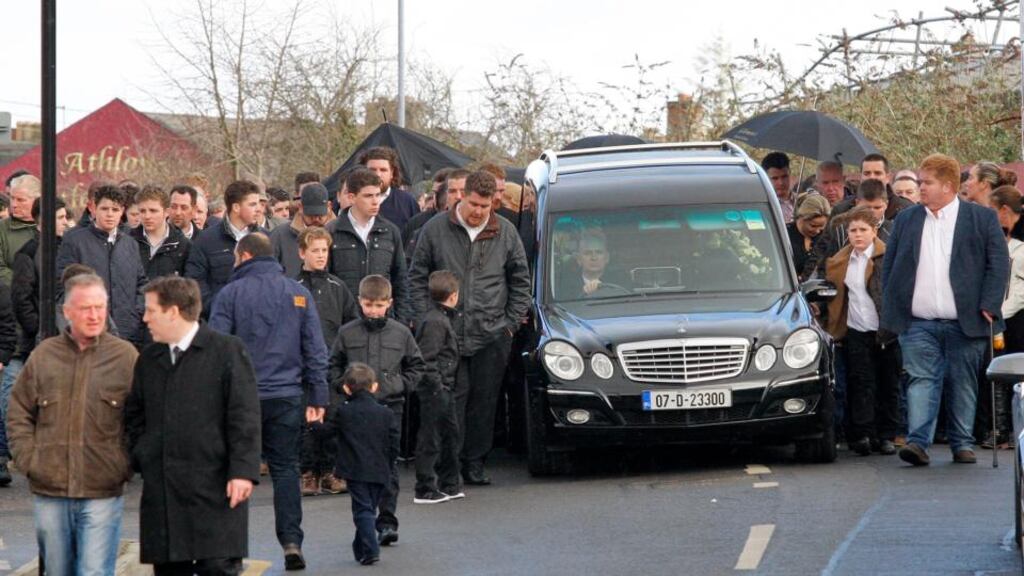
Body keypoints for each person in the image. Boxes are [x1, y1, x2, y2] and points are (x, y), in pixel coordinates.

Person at [208, 232, 328, 571]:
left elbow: (216, 350)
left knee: (235, 470)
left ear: (244, 256)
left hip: (241, 398)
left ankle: (231, 550)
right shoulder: (298, 293)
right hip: (287, 395)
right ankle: (291, 541)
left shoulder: (230, 294)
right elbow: (315, 349)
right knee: (286, 468)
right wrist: (318, 393)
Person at [126, 277, 262, 576]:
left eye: (151, 310)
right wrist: (143, 454)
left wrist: (243, 472)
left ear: (173, 312)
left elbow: (244, 416)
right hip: (164, 495)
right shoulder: (149, 359)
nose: (145, 318)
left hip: (216, 492)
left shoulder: (226, 351)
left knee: (218, 568)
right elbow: (135, 416)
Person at [881, 153, 1010, 466]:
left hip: (966, 320)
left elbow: (998, 265)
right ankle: (918, 443)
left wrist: (990, 305)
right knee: (921, 379)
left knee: (962, 382)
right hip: (917, 323)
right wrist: (892, 303)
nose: (920, 188)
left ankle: (962, 443)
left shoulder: (981, 219)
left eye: (927, 183)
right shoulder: (907, 219)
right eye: (920, 182)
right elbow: (890, 265)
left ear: (949, 187)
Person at [6, 273, 139, 575]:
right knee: (56, 570)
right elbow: (19, 413)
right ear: (67, 312)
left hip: (102, 488)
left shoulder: (125, 357)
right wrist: (30, 461)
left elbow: (139, 420)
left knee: (93, 571)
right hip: (50, 488)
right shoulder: (44, 356)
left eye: (100, 307)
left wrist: (123, 464)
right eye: (85, 308)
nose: (94, 315)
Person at [408, 170, 531, 485]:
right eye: (474, 203)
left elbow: (520, 280)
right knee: (448, 400)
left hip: (491, 332)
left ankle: (474, 462)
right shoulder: (435, 229)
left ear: (494, 202)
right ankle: (448, 464)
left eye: (485, 206)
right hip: (446, 332)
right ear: (462, 196)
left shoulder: (505, 233)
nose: (478, 211)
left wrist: (509, 325)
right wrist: (427, 319)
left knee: (484, 402)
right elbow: (417, 276)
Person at [330, 275, 424, 547]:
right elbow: (332, 365)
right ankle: (365, 516)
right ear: (360, 302)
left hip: (389, 407)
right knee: (359, 467)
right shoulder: (347, 332)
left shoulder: (401, 332)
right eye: (369, 304)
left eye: (379, 305)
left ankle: (386, 521)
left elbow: (416, 367)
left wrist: (398, 385)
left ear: (389, 303)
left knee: (389, 465)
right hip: (355, 411)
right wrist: (342, 386)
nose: (374, 310)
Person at [2, 198, 69, 487]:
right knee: (17, 399)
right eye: (61, 217)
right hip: (37, 340)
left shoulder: (68, 248)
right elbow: (22, 299)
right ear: (43, 219)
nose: (66, 222)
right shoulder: (30, 252)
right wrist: (41, 331)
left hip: (64, 335)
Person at [824, 207, 900, 456]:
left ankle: (886, 435)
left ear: (874, 231)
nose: (857, 235)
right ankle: (863, 434)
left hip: (885, 330)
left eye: (863, 230)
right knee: (861, 383)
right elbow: (832, 290)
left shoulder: (886, 257)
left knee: (887, 384)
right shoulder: (840, 260)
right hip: (856, 329)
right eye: (852, 230)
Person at [295, 226, 359, 497]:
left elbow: (351, 324)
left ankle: (332, 471)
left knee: (333, 420)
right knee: (307, 422)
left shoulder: (338, 287)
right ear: (302, 253)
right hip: (301, 367)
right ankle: (308, 473)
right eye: (315, 251)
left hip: (333, 365)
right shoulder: (293, 288)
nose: (321, 256)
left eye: (324, 250)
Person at [56, 184, 148, 345]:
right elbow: (63, 284)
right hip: (88, 332)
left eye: (115, 209)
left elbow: (140, 283)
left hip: (127, 332)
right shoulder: (75, 241)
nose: (110, 214)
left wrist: (136, 314)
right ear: (93, 209)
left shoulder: (130, 244)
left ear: (122, 211)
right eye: (104, 209)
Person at [327, 363, 399, 567]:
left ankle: (369, 550)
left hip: (355, 469)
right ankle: (360, 548)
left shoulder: (344, 411)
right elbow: (394, 443)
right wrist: (390, 463)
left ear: (347, 388)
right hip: (381, 469)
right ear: (374, 387)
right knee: (369, 508)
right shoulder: (386, 413)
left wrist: (314, 425)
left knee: (362, 510)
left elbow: (327, 433)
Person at [327, 168, 412, 323]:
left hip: (384, 323)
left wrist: (401, 324)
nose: (375, 201)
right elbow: (326, 283)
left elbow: (400, 279)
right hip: (344, 323)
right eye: (368, 196)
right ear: (352, 197)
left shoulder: (390, 231)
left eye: (378, 195)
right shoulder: (332, 231)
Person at [413, 270, 463, 504]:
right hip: (436, 388)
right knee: (431, 438)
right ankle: (425, 487)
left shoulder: (439, 318)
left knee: (449, 435)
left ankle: (448, 483)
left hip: (444, 385)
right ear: (453, 296)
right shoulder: (435, 321)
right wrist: (438, 385)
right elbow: (427, 358)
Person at [980, 186, 1024, 448]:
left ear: (1005, 211)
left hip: (1016, 319)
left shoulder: (1020, 246)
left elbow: (1020, 290)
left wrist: (998, 312)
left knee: (1018, 375)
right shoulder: (1000, 241)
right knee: (997, 373)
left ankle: (1014, 430)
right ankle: (999, 428)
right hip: (997, 317)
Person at [186, 180, 264, 317]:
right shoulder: (206, 240)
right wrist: (220, 307)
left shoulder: (265, 239)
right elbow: (195, 282)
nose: (259, 209)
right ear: (236, 207)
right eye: (252, 204)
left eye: (258, 204)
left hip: (258, 320)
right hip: (220, 321)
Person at [804, 179, 892, 279]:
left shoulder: (893, 232)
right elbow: (824, 263)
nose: (871, 212)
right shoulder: (840, 230)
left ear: (886, 205)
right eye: (867, 207)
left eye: (877, 208)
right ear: (857, 203)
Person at [271, 183, 332, 277]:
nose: (315, 219)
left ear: (329, 207)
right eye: (311, 215)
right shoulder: (279, 236)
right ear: (300, 208)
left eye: (320, 215)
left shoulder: (337, 233)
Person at [131, 186, 191, 279]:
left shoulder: (183, 245)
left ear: (166, 212)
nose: (147, 216)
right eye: (142, 211)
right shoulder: (128, 241)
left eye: (153, 211)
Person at [361, 146, 420, 229]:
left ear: (392, 173)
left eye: (383, 170)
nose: (378, 174)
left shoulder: (407, 203)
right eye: (372, 170)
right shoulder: (351, 199)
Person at [0, 173, 40, 286]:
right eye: (12, 198)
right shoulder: (2, 230)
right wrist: (25, 286)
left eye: (20, 200)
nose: (13, 204)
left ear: (37, 200)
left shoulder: (53, 227)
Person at [786, 194, 830, 281]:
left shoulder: (826, 236)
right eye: (813, 226)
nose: (817, 231)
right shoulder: (785, 234)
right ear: (802, 218)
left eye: (821, 226)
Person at [762, 152, 795, 223]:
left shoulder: (802, 201)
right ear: (765, 178)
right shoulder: (762, 204)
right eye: (775, 178)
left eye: (784, 176)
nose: (781, 183)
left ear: (790, 173)